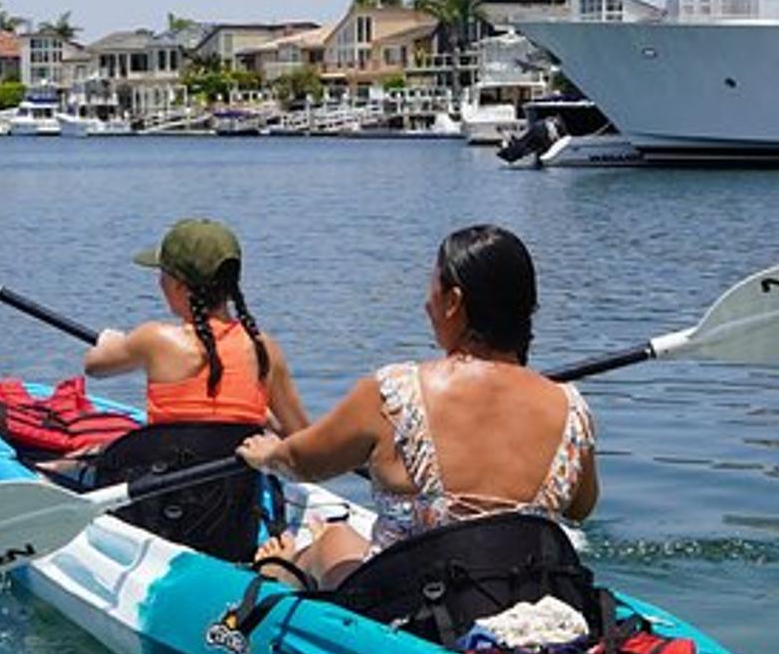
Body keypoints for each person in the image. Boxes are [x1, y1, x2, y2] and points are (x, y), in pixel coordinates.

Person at [236, 224, 596, 587]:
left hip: (417, 610)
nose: (427, 303)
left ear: (454, 302)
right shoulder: (571, 407)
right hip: (527, 596)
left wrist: (268, 454)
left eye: (433, 288)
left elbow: (303, 463)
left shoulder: (394, 393)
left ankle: (278, 569)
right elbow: (581, 506)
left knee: (333, 538)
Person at [84, 217, 310, 437]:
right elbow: (303, 441)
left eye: (162, 273)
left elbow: (94, 366)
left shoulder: (153, 339)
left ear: (179, 286)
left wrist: (110, 341)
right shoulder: (264, 348)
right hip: (236, 474)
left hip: (167, 469)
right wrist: (264, 420)